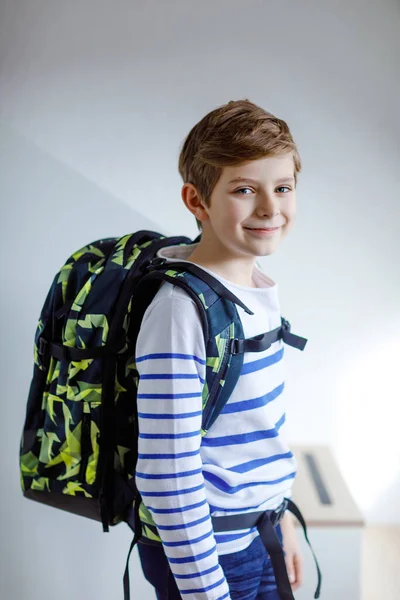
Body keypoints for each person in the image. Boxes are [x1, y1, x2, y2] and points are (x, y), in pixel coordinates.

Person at [134, 99, 304, 600]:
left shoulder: (256, 288)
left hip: (260, 535)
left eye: (283, 187)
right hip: (213, 557)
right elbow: (168, 475)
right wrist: (206, 591)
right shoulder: (180, 312)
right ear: (197, 200)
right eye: (245, 189)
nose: (270, 208)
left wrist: (282, 518)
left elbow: (258, 431)